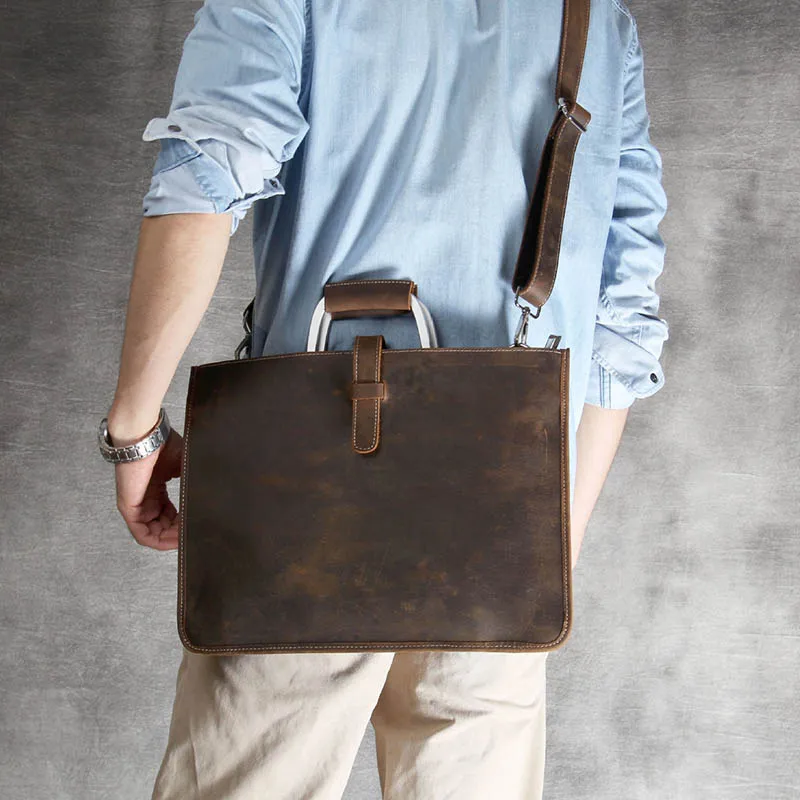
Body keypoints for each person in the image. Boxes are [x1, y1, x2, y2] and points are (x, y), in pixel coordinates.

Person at [99, 0, 669, 797]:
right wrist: (550, 543)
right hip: (501, 510)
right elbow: (621, 310)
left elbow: (206, 177)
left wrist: (134, 432)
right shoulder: (597, 19)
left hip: (301, 494)